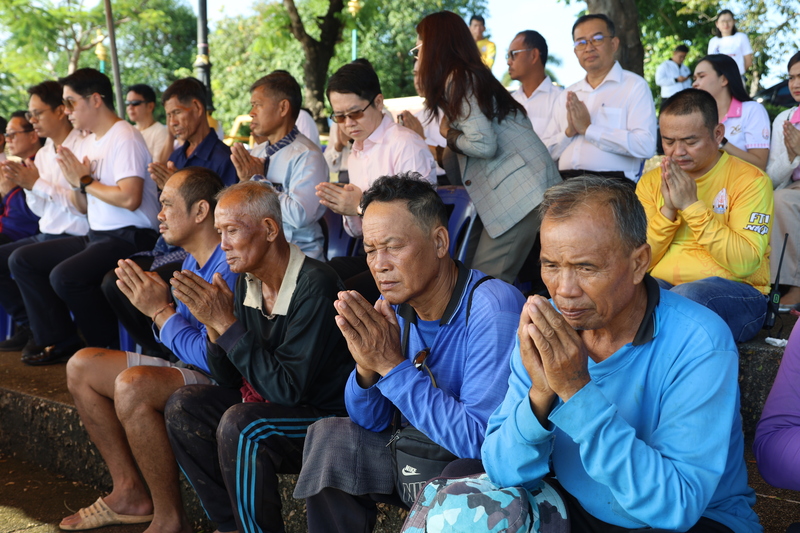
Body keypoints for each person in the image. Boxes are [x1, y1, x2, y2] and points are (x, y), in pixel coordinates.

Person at [463, 175, 760, 533]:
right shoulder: (550, 329)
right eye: (551, 266)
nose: (564, 290)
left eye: (586, 267)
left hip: (690, 522)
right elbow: (502, 469)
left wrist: (576, 391)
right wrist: (540, 396)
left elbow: (676, 506)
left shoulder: (700, 341)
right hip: (582, 507)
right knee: (461, 489)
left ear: (638, 263)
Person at [294, 174, 525, 532]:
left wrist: (391, 365)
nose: (379, 264)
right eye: (371, 250)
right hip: (414, 456)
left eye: (393, 246)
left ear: (439, 242)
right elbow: (370, 421)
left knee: (461, 474)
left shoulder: (492, 307)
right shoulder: (393, 305)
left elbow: (480, 441)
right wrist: (367, 367)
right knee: (331, 437)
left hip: (471, 472)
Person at [163, 180, 353, 533]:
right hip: (273, 406)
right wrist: (214, 326)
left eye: (232, 230)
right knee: (183, 406)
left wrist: (227, 323)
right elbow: (227, 378)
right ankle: (230, 525)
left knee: (243, 425)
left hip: (326, 419)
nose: (223, 244)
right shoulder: (245, 281)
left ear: (269, 229)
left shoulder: (315, 284)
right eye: (219, 232)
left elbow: (288, 391)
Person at [58, 167, 236, 532]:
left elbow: (217, 360)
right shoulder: (192, 258)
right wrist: (158, 310)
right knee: (81, 366)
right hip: (188, 364)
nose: (159, 213)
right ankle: (130, 492)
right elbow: (182, 339)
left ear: (201, 211)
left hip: (223, 381)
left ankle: (170, 518)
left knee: (133, 385)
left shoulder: (227, 266)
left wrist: (160, 312)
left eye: (168, 204)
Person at [9, 68, 160, 365]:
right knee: (24, 259)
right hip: (99, 234)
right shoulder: (91, 142)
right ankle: (61, 340)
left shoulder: (125, 136)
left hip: (132, 235)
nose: (67, 110)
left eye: (71, 102)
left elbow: (130, 198)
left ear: (95, 100)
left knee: (66, 276)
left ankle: (106, 350)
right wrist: (73, 183)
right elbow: (82, 205)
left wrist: (86, 181)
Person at [415, 11, 561, 283]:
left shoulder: (458, 78)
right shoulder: (469, 76)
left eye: (420, 47)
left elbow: (483, 144)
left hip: (521, 192)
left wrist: (449, 134)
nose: (417, 55)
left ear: (435, 46)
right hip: (516, 190)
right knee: (469, 277)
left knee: (486, 282)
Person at [636, 88, 772, 343]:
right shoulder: (651, 182)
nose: (678, 152)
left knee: (685, 299)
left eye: (690, 142)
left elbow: (745, 263)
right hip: (665, 286)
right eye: (668, 141)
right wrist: (668, 211)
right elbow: (640, 260)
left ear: (718, 134)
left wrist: (691, 206)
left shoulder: (751, 180)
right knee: (623, 294)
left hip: (738, 293)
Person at [316, 61, 436, 299]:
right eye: (339, 117)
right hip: (376, 256)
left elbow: (419, 219)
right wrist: (346, 208)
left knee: (335, 293)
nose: (348, 123)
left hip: (409, 257)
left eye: (355, 113)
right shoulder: (356, 153)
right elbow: (357, 232)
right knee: (314, 277)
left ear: (378, 102)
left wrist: (360, 206)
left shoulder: (405, 144)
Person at [0, 81, 89, 353]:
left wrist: (37, 184)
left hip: (79, 233)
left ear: (60, 111)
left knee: (22, 259)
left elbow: (82, 207)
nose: (33, 120)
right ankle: (31, 326)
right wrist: (29, 186)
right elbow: (40, 210)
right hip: (48, 231)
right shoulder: (44, 153)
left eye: (37, 113)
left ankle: (58, 338)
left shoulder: (82, 146)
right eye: (30, 114)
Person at [540, 13, 657, 182]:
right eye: (581, 42)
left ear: (614, 44)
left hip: (613, 185)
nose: (588, 48)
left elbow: (645, 145)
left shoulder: (634, 86)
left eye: (597, 39)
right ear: (575, 51)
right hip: (565, 183)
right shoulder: (567, 95)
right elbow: (543, 154)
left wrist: (589, 129)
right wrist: (568, 133)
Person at [229, 70, 328, 260]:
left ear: (283, 108)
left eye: (258, 105)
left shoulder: (307, 155)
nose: (251, 113)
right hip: (260, 256)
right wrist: (245, 184)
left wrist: (258, 182)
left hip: (299, 260)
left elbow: (299, 216)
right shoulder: (257, 152)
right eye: (252, 106)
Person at [148, 78, 237, 189]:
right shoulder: (176, 156)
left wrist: (179, 189)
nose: (172, 122)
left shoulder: (225, 159)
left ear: (197, 108)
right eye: (169, 115)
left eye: (177, 112)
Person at [764, 51, 800, 306]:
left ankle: (795, 286)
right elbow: (772, 178)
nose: (795, 83)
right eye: (791, 77)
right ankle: (782, 284)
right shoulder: (784, 120)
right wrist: (792, 156)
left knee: (783, 199)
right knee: (777, 198)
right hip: (793, 188)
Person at [693, 54, 770, 170]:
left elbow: (760, 165)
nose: (695, 84)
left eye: (701, 76)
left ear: (724, 79)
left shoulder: (752, 110)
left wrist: (720, 141)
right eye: (694, 79)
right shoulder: (697, 117)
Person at [397, 61, 449, 185]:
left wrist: (421, 139)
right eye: (415, 74)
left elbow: (452, 161)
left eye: (424, 74)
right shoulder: (417, 117)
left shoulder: (453, 114)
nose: (418, 80)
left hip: (450, 183)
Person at [507, 30, 563, 138]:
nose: (508, 62)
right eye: (508, 56)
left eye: (514, 54)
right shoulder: (508, 103)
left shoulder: (561, 99)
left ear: (534, 55)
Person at [0, 111, 41, 244]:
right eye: (7, 134)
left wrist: (10, 192)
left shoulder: (43, 167)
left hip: (18, 235)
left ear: (33, 136)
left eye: (12, 134)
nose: (8, 139)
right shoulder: (19, 166)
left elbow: (38, 214)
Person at [125, 84, 169, 162]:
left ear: (150, 106)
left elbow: (158, 165)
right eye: (127, 103)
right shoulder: (128, 131)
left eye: (135, 103)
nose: (130, 107)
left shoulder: (160, 132)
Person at [708, 9, 753, 76]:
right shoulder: (713, 41)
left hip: (737, 77)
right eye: (723, 21)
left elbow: (748, 61)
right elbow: (710, 63)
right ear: (717, 23)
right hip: (718, 79)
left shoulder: (741, 37)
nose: (726, 24)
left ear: (734, 21)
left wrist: (737, 75)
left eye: (729, 20)